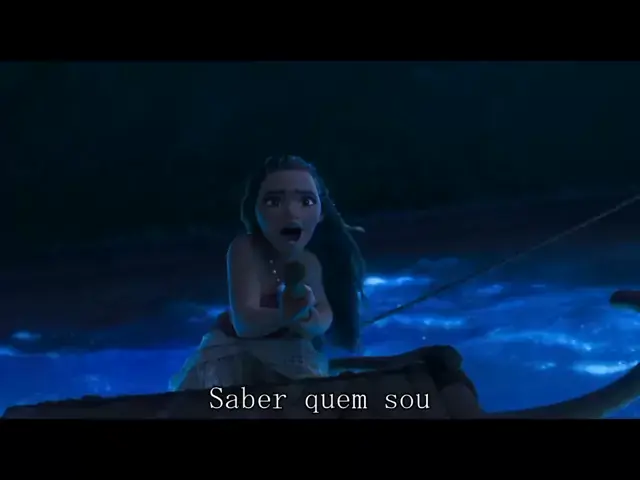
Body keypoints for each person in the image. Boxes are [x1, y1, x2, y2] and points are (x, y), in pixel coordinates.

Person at [170, 155, 366, 390]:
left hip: (291, 356)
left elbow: (323, 312)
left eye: (306, 201)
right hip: (234, 357)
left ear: (321, 213)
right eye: (274, 201)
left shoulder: (310, 262)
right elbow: (245, 323)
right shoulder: (246, 249)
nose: (291, 212)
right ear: (255, 210)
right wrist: (288, 315)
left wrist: (310, 320)